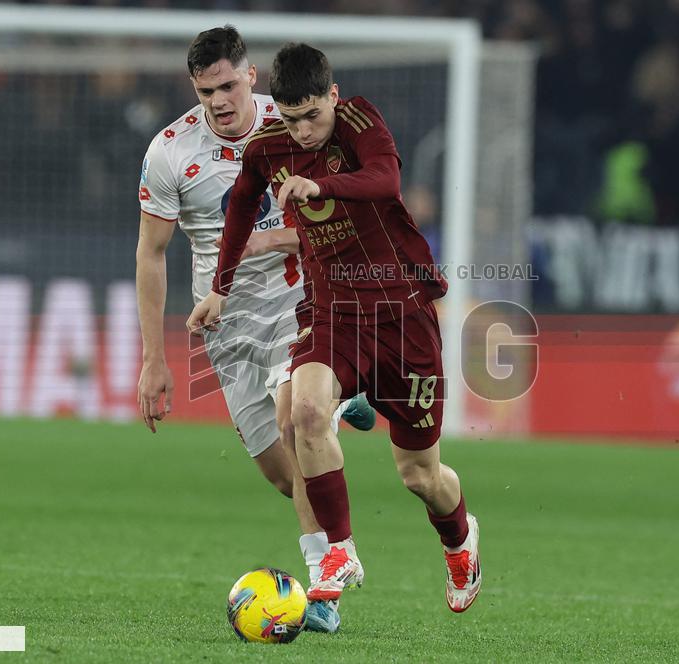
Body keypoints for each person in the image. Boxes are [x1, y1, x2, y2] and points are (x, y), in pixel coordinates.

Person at [193, 43, 481, 613]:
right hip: (332, 313)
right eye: (292, 119)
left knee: (420, 474)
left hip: (403, 316)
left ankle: (459, 539)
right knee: (302, 412)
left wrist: (320, 187)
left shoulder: (360, 122)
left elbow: (384, 181)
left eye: (313, 117)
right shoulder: (269, 148)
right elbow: (241, 210)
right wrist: (220, 287)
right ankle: (339, 551)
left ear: (333, 95)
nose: (302, 132)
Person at [134, 26, 375, 633]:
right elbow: (151, 254)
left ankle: (323, 591)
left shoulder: (294, 123)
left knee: (298, 425)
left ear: (250, 76)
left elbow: (350, 209)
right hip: (227, 321)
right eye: (204, 89)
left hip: (300, 297)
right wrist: (154, 359)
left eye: (226, 85)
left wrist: (278, 238)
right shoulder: (169, 152)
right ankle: (341, 405)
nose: (217, 100)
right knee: (279, 469)